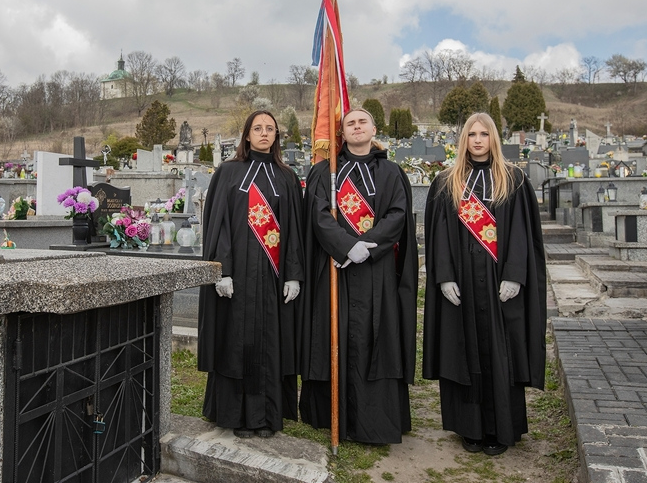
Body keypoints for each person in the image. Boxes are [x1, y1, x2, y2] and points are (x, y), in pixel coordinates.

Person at [422, 112, 546, 456]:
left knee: (500, 351)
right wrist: (444, 276)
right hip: (461, 281)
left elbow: (522, 231)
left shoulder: (514, 180)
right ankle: (470, 428)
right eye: (472, 134)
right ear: (464, 139)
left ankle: (499, 428)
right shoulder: (447, 182)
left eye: (484, 134)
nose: (478, 140)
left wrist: (515, 274)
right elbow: (438, 234)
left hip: (498, 281)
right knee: (462, 349)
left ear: (493, 138)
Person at [299, 108, 419, 444]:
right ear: (342, 132)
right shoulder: (325, 172)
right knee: (334, 336)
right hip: (334, 270)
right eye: (350, 123)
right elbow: (318, 215)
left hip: (377, 272)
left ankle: (373, 421)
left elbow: (397, 215)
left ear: (373, 129)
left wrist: (367, 247)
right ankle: (332, 416)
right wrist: (346, 247)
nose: (356, 127)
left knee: (375, 339)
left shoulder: (392, 173)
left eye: (362, 122)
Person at [197, 110, 305, 438]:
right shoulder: (228, 172)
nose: (264, 133)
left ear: (276, 136)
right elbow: (218, 224)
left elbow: (295, 230)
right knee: (236, 341)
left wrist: (293, 274)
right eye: (257, 128)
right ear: (247, 134)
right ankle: (236, 416)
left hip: (273, 277)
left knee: (270, 342)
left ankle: (266, 416)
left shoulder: (287, 177)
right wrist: (222, 271)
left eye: (270, 128)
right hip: (238, 276)